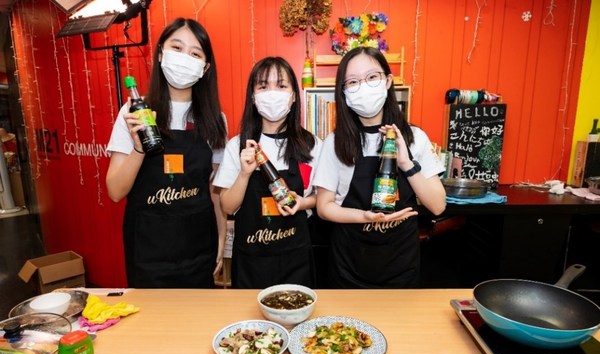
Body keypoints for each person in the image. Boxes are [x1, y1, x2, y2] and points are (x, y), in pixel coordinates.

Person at [106, 18, 228, 288]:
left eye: (195, 53)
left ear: (205, 67)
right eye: (177, 48)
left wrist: (221, 238)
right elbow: (115, 190)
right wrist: (139, 146)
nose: (185, 58)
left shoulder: (215, 119)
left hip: (199, 247)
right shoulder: (133, 112)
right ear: (161, 53)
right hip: (149, 251)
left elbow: (215, 190)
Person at [313, 47, 446, 289]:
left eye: (372, 77)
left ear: (388, 81)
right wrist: (363, 216)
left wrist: (405, 163)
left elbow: (437, 205)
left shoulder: (415, 137)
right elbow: (323, 207)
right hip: (349, 266)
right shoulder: (335, 142)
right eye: (353, 82)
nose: (363, 86)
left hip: (401, 265)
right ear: (344, 92)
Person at [213, 57, 321, 289]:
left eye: (281, 86)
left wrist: (303, 203)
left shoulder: (312, 144)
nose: (272, 93)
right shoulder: (237, 145)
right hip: (251, 262)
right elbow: (227, 207)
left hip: (296, 260)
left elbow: (322, 198)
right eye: (263, 86)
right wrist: (244, 174)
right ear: (253, 97)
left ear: (293, 96)